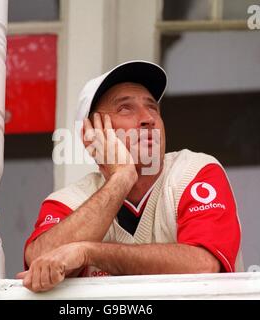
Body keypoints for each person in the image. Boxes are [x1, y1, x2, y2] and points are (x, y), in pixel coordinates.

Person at [17, 60, 244, 292]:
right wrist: (122, 178)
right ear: (91, 135)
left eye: (153, 107)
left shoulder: (194, 171)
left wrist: (88, 252)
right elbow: (40, 263)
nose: (148, 118)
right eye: (125, 108)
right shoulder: (68, 201)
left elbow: (204, 265)